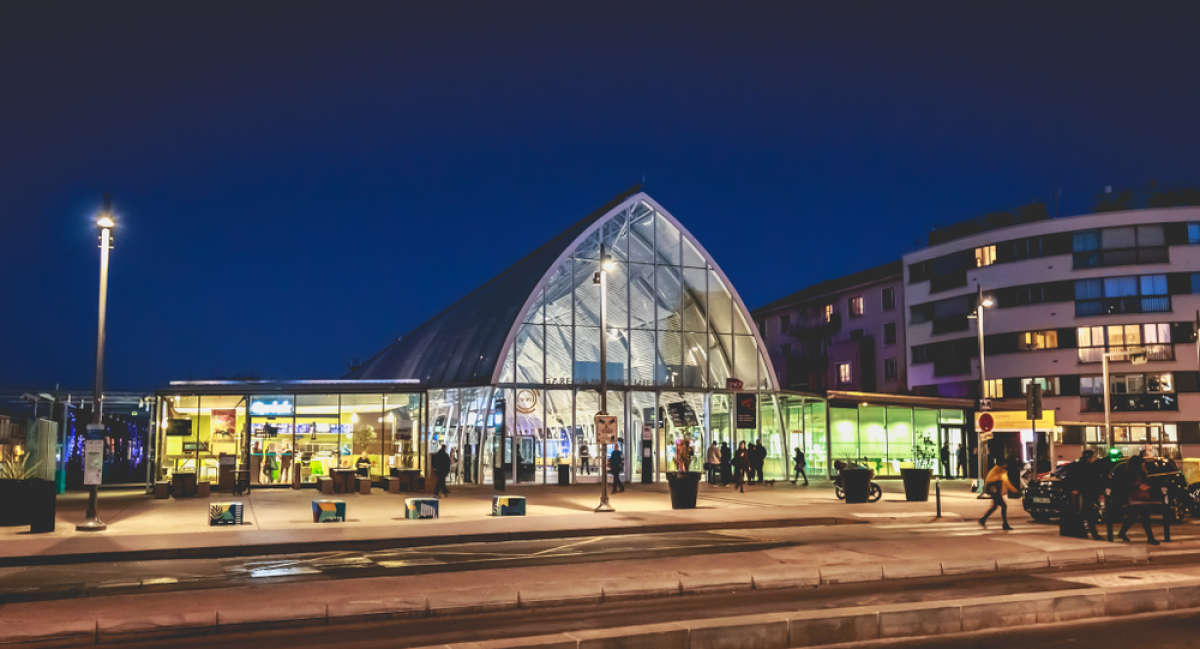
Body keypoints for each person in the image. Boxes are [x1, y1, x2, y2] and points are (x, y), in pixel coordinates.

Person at [1117, 455, 1159, 545]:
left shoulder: (1141, 472)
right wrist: (1139, 486)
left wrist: (1146, 486)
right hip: (1135, 496)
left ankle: (1122, 532)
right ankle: (1150, 538)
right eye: (1142, 462)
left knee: (1133, 516)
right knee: (1144, 517)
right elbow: (1127, 484)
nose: (1144, 464)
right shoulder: (1131, 472)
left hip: (1140, 497)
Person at [1067, 449, 1104, 541]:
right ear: (1091, 457)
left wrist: (1074, 489)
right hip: (1087, 494)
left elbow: (1070, 478)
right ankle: (1092, 533)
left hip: (1079, 494)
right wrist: (1099, 493)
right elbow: (1095, 481)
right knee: (1088, 514)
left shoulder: (1076, 466)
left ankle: (1080, 532)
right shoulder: (1091, 468)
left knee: (1080, 514)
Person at [979, 458, 1018, 530]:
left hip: (997, 492)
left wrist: (1015, 491)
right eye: (1004, 464)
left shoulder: (1002, 472)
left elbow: (1007, 482)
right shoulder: (995, 471)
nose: (1005, 466)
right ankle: (1005, 524)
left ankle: (983, 519)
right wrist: (998, 477)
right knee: (1004, 506)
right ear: (1002, 464)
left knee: (995, 507)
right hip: (995, 492)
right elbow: (988, 480)